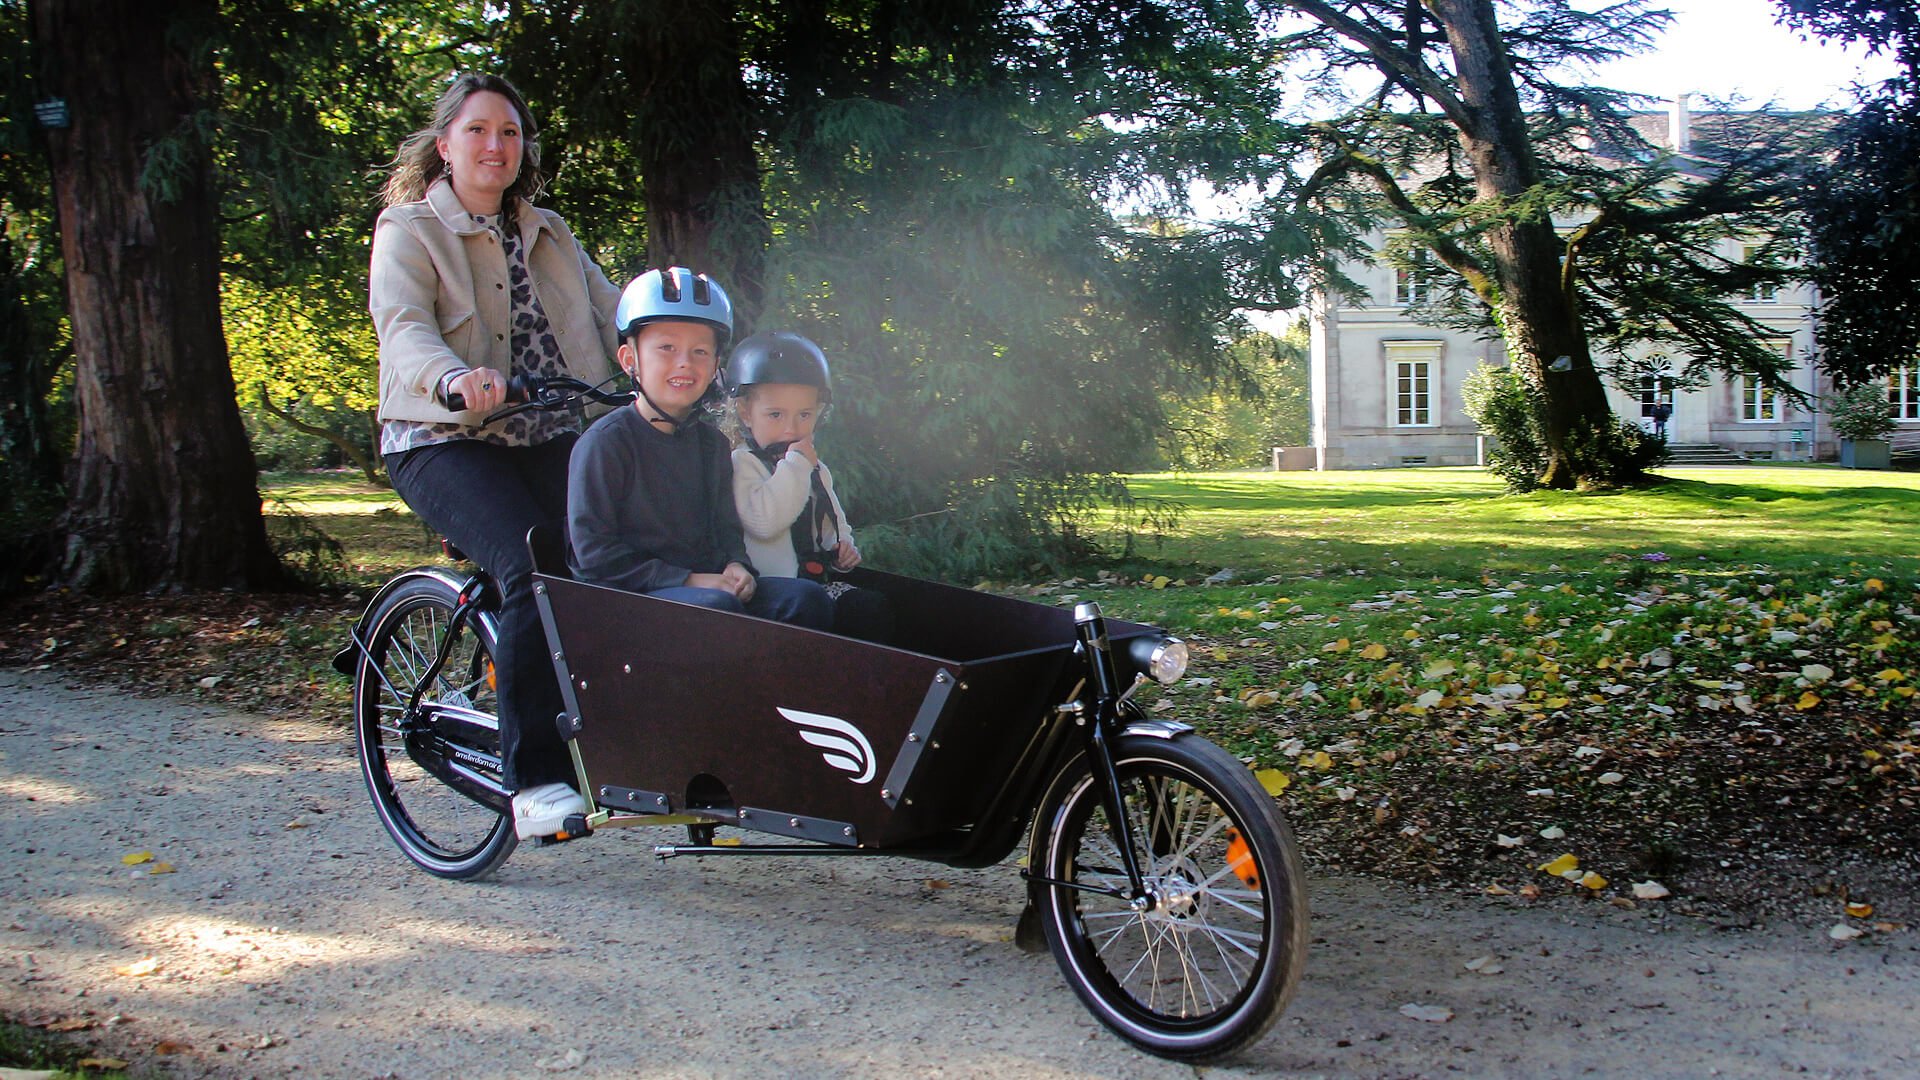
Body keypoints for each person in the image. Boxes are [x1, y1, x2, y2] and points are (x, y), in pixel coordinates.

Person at [369, 72, 620, 842]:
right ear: (445, 145)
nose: (495, 145)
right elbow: (404, 326)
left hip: (544, 432)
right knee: (534, 563)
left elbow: (618, 318)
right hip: (444, 439)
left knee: (617, 553)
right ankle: (535, 780)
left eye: (509, 132)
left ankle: (620, 737)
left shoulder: (549, 230)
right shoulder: (409, 230)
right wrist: (452, 377)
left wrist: (676, 356)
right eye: (477, 130)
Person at [568, 268, 834, 631]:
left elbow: (726, 529)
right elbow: (594, 555)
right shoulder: (606, 443)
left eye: (700, 351)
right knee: (716, 606)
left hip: (709, 594)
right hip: (631, 599)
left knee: (805, 600)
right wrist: (689, 580)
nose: (684, 363)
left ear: (714, 368)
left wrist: (737, 567)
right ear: (630, 360)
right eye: (666, 348)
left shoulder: (712, 444)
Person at [725, 332, 894, 642]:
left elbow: (832, 526)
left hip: (813, 584)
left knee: (867, 606)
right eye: (775, 415)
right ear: (746, 414)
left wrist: (843, 549)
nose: (791, 428)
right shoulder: (741, 464)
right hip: (763, 591)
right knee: (807, 603)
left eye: (804, 415)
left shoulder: (814, 470)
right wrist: (797, 465)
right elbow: (764, 522)